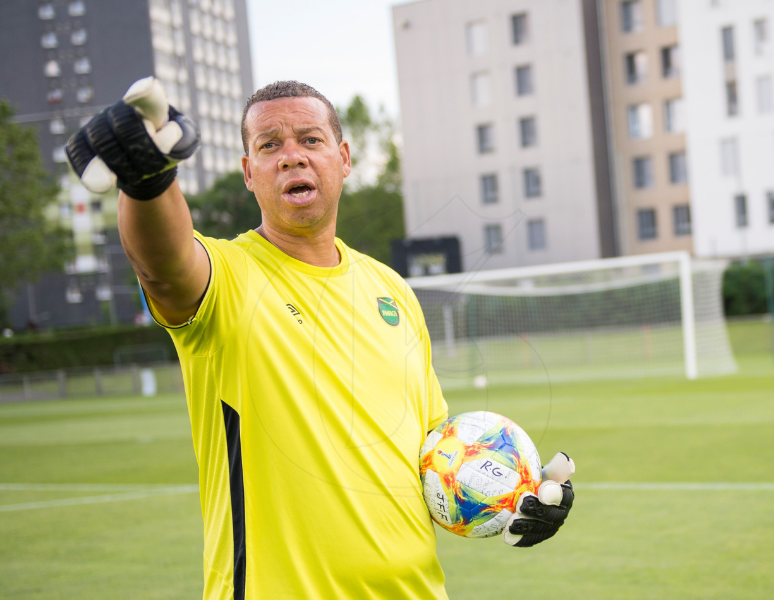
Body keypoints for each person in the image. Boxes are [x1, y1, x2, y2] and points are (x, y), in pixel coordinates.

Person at [65, 78, 573, 600]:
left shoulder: (390, 289)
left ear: (344, 158)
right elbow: (164, 267)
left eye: (310, 140)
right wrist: (148, 180)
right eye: (269, 145)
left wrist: (518, 497)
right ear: (248, 173)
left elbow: (433, 456)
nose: (292, 157)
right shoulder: (230, 277)